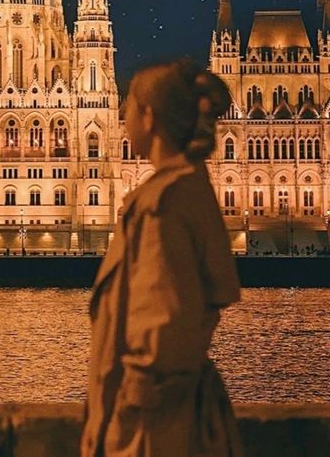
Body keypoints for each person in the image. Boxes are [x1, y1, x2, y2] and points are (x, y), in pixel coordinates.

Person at [81, 59, 242, 457]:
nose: (121, 116)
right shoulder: (183, 188)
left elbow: (163, 323)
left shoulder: (163, 204)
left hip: (154, 425)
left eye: (129, 107)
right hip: (168, 412)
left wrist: (130, 412)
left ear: (149, 118)